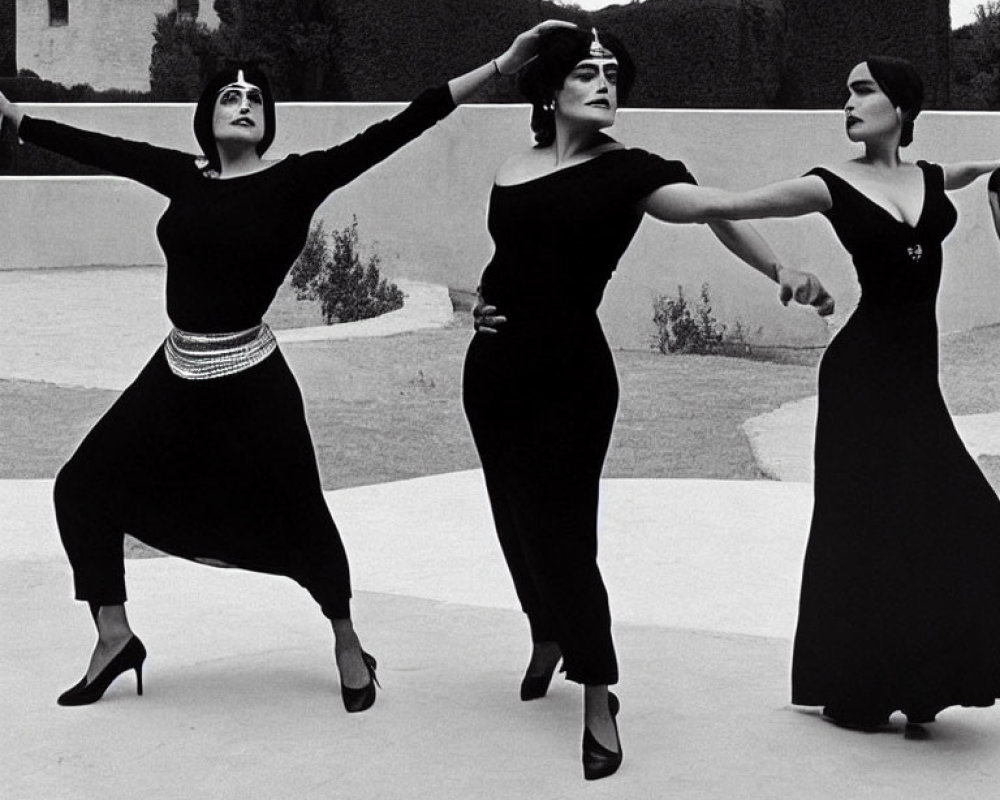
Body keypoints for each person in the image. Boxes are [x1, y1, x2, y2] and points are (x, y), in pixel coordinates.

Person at [0, 20, 573, 712]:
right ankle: (113, 637)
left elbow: (403, 125)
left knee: (301, 515)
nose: (244, 102)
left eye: (256, 99)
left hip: (252, 380)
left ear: (267, 121)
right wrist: (17, 118)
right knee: (81, 487)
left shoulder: (297, 181)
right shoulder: (185, 176)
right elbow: (103, 149)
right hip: (177, 367)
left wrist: (503, 65)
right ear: (206, 117)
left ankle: (344, 637)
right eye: (229, 96)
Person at [463, 26, 833, 780]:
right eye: (586, 72)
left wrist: (779, 267)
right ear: (550, 90)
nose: (604, 83)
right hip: (493, 370)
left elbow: (711, 209)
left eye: (612, 73)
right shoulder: (513, 165)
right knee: (511, 515)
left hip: (572, 376)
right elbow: (516, 254)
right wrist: (480, 300)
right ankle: (545, 633)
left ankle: (598, 691)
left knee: (563, 532)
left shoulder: (631, 172)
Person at [647, 56, 1000, 731]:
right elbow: (725, 206)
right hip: (861, 376)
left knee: (952, 519)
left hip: (914, 379)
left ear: (901, 108)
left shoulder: (929, 177)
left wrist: (989, 168)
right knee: (862, 527)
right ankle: (857, 688)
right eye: (846, 90)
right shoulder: (829, 185)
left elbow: (968, 172)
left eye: (864, 90)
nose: (848, 101)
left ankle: (918, 678)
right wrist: (660, 190)